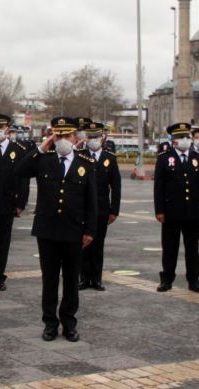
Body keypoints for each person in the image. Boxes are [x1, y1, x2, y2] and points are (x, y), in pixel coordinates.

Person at [14, 116, 97, 342]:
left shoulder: (85, 164)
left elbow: (92, 201)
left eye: (65, 136)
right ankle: (50, 323)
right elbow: (19, 170)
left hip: (73, 230)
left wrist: (90, 230)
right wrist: (42, 147)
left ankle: (69, 323)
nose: (62, 140)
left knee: (71, 280)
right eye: (58, 135)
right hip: (48, 230)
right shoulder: (44, 160)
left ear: (74, 138)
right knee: (49, 279)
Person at [154, 123, 199, 293]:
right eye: (180, 137)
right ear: (174, 140)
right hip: (171, 211)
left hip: (193, 211)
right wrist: (159, 210)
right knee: (170, 247)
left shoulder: (198, 158)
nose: (185, 140)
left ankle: (194, 280)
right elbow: (159, 187)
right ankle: (167, 279)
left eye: (186, 137)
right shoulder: (164, 158)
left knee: (192, 248)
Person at [0, 113, 29, 292]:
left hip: (6, 203)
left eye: (0, 127)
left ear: (7, 129)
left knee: (2, 242)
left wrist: (20, 203)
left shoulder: (17, 149)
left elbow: (23, 179)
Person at [79, 122, 121, 291]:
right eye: (90, 137)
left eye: (96, 137)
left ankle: (96, 279)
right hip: (82, 208)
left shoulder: (109, 158)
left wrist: (114, 210)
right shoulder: (80, 155)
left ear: (102, 138)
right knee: (82, 244)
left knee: (98, 245)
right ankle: (83, 278)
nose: (93, 140)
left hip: (102, 209)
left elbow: (116, 187)